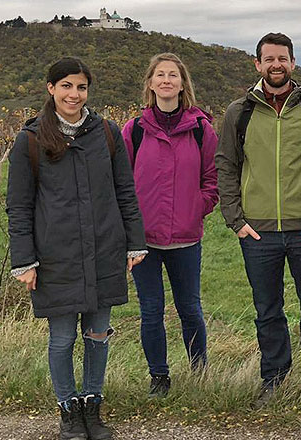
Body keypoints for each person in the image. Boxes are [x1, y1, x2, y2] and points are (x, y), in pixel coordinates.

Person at [6, 57, 147, 440]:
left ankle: (93, 406)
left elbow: (125, 192)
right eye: (66, 85)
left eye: (81, 86)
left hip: (104, 248)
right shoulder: (31, 139)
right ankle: (68, 411)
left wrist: (135, 242)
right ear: (51, 88)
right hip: (56, 256)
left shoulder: (106, 132)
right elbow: (18, 205)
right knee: (63, 338)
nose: (74, 93)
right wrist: (24, 260)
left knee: (98, 334)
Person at [215, 32, 301, 408]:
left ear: (293, 63)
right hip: (258, 232)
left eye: (282, 58)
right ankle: (274, 380)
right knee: (267, 311)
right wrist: (236, 219)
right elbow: (226, 166)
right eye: (269, 59)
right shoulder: (240, 112)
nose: (276, 65)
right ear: (258, 64)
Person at [122, 53, 218, 398]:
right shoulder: (133, 131)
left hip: (185, 238)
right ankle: (158, 378)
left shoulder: (200, 129)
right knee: (151, 311)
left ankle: (199, 373)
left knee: (190, 308)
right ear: (150, 84)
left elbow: (213, 178)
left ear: (182, 83)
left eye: (173, 75)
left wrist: (197, 208)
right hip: (144, 240)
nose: (166, 80)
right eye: (160, 75)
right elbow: (121, 183)